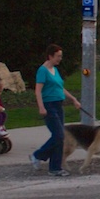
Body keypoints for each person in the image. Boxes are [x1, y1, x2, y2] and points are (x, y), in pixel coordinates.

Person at [31, 44, 80, 176]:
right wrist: (41, 107)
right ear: (50, 56)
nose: (60, 59)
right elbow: (38, 90)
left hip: (59, 104)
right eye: (58, 56)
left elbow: (60, 88)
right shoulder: (42, 70)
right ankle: (37, 155)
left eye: (61, 56)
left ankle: (55, 168)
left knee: (59, 137)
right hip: (49, 105)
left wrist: (73, 99)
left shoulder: (55, 70)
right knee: (59, 135)